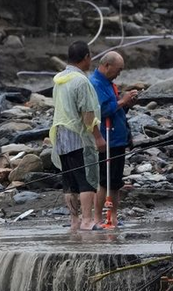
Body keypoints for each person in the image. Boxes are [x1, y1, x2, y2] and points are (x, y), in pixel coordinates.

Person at [49, 40, 106, 231]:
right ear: (86, 58)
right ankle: (87, 220)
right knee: (87, 181)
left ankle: (74, 221)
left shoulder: (59, 79)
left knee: (69, 183)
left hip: (61, 137)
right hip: (78, 137)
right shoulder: (81, 81)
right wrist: (98, 137)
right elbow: (88, 114)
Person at [90, 50, 139, 222]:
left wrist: (126, 104)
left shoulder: (109, 83)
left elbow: (115, 108)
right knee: (105, 180)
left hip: (118, 138)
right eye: (118, 70)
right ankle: (97, 218)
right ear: (107, 66)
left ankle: (114, 216)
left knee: (116, 181)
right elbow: (101, 110)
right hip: (106, 138)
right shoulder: (95, 83)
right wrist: (122, 101)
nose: (119, 74)